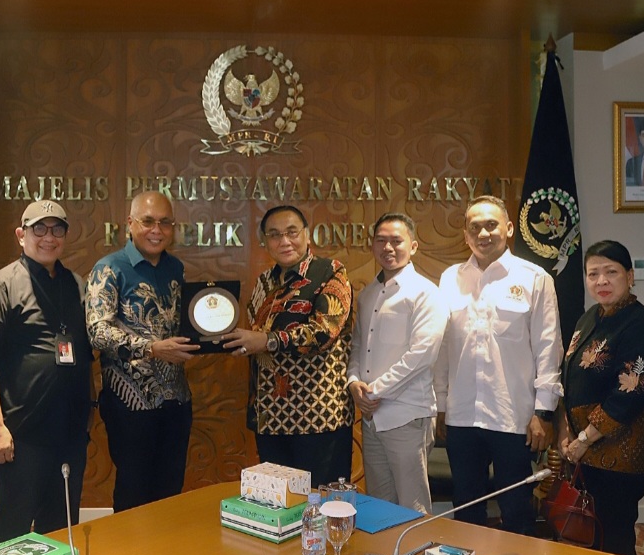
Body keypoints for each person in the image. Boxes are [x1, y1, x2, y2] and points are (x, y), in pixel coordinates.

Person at [436, 195, 563, 535]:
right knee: (466, 509)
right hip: (462, 416)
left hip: (515, 418)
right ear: (465, 235)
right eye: (475, 227)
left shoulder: (535, 278)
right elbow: (443, 347)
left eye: (491, 225)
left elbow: (548, 349)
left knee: (517, 510)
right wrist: (441, 406)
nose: (483, 233)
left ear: (508, 228)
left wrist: (543, 412)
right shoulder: (450, 279)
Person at [0, 200, 92, 543]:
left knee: (62, 530)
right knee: (14, 532)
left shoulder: (76, 284)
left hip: (69, 435)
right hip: (21, 437)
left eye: (57, 229)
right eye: (39, 228)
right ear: (21, 235)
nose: (48, 237)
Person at [221, 205, 355, 486]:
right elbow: (256, 336)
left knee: (321, 501)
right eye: (275, 235)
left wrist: (266, 340)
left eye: (292, 232)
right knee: (279, 502)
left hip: (317, 417)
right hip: (269, 417)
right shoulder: (263, 282)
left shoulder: (330, 273)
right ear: (265, 241)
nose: (284, 241)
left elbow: (323, 332)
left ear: (307, 234)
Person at [86, 191, 198, 512]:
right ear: (130, 224)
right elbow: (97, 331)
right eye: (148, 221)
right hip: (131, 402)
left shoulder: (175, 268)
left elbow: (182, 325)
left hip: (176, 399)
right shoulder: (109, 269)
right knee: (133, 493)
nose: (156, 230)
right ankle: (130, 547)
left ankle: (166, 546)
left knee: (170, 491)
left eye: (165, 223)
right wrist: (150, 348)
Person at [557, 240, 644, 555]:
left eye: (611, 272)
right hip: (587, 450)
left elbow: (628, 395)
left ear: (629, 276)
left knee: (613, 538)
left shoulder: (640, 323)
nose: (601, 281)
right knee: (589, 537)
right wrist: (568, 432)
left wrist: (584, 438)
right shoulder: (590, 317)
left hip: (620, 454)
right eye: (593, 274)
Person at [345, 212, 445, 514]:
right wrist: (353, 383)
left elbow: (422, 355)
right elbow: (358, 346)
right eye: (381, 241)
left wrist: (374, 391)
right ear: (372, 246)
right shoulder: (368, 294)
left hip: (407, 415)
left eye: (396, 241)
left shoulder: (426, 293)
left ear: (413, 246)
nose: (388, 247)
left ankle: (417, 549)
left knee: (413, 506)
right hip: (373, 417)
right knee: (379, 505)